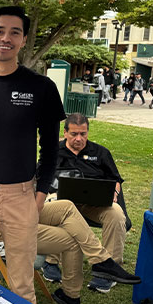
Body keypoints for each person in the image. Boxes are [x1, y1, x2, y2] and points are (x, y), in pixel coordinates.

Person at [0, 6, 66, 304]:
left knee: (21, 284)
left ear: (23, 40)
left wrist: (40, 194)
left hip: (21, 196)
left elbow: (50, 147)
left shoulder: (41, 87)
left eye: (14, 32)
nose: (6, 38)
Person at [44, 113, 128, 293]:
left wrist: (114, 193)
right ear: (65, 133)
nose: (79, 139)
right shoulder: (53, 152)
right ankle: (51, 262)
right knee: (53, 204)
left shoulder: (101, 153)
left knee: (116, 214)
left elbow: (116, 180)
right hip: (61, 201)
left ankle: (109, 268)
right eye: (74, 134)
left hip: (94, 204)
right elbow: (39, 177)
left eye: (83, 134)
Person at [38, 200, 140, 304]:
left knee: (70, 211)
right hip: (22, 214)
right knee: (68, 211)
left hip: (88, 202)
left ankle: (70, 294)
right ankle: (102, 262)